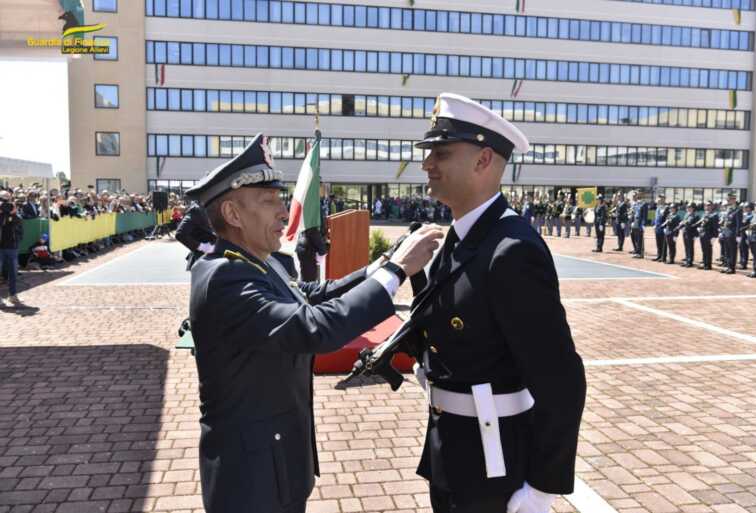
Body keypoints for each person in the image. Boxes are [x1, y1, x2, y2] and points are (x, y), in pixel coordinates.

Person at [183, 133, 442, 513]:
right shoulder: (225, 276)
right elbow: (312, 327)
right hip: (250, 480)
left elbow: (312, 294)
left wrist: (381, 264)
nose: (283, 212)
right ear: (233, 215)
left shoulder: (255, 261)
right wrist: (397, 271)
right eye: (269, 201)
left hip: (275, 465)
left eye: (281, 199)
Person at [407, 92, 586, 513]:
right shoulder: (461, 237)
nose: (427, 163)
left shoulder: (511, 250)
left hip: (494, 466)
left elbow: (562, 381)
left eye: (441, 153)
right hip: (452, 452)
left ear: (483, 160)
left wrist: (542, 487)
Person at [175, 201, 217, 271]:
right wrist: (202, 247)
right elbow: (180, 234)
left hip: (219, 252)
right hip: (204, 258)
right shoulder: (196, 210)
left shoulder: (211, 206)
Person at [0, 190, 24, 306]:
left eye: (7, 199)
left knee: (13, 273)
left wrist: (13, 213)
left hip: (12, 246)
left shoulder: (14, 212)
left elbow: (19, 224)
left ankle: (13, 295)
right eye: (3, 199)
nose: (5, 203)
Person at [719, 193, 742, 274]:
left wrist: (738, 235)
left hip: (732, 234)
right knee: (727, 251)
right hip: (726, 233)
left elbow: (739, 224)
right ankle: (728, 266)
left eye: (729, 200)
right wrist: (722, 232)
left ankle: (732, 268)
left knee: (732, 251)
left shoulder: (738, 210)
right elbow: (725, 222)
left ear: (734, 200)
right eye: (727, 200)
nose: (728, 201)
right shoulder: (729, 209)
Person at [698, 200, 719, 270]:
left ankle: (708, 265)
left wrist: (714, 236)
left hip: (709, 235)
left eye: (709, 205)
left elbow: (715, 227)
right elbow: (702, 223)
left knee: (708, 250)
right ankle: (704, 263)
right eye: (706, 205)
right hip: (702, 234)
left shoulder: (714, 215)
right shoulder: (704, 214)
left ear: (712, 206)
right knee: (703, 249)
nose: (707, 207)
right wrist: (699, 228)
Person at [680, 202, 699, 268]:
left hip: (691, 233)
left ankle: (690, 261)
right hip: (685, 232)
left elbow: (695, 225)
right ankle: (687, 259)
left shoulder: (695, 216)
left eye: (689, 207)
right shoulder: (686, 214)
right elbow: (683, 222)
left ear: (693, 208)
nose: (688, 208)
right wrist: (682, 226)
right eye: (687, 207)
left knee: (690, 247)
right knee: (686, 246)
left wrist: (695, 235)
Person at [652, 194, 669, 262]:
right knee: (658, 242)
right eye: (659, 198)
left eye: (661, 198)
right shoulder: (658, 207)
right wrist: (654, 224)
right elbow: (656, 217)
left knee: (663, 243)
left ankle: (663, 257)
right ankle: (659, 256)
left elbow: (667, 218)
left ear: (664, 199)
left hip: (663, 228)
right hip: (657, 227)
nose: (659, 199)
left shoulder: (666, 208)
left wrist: (665, 226)